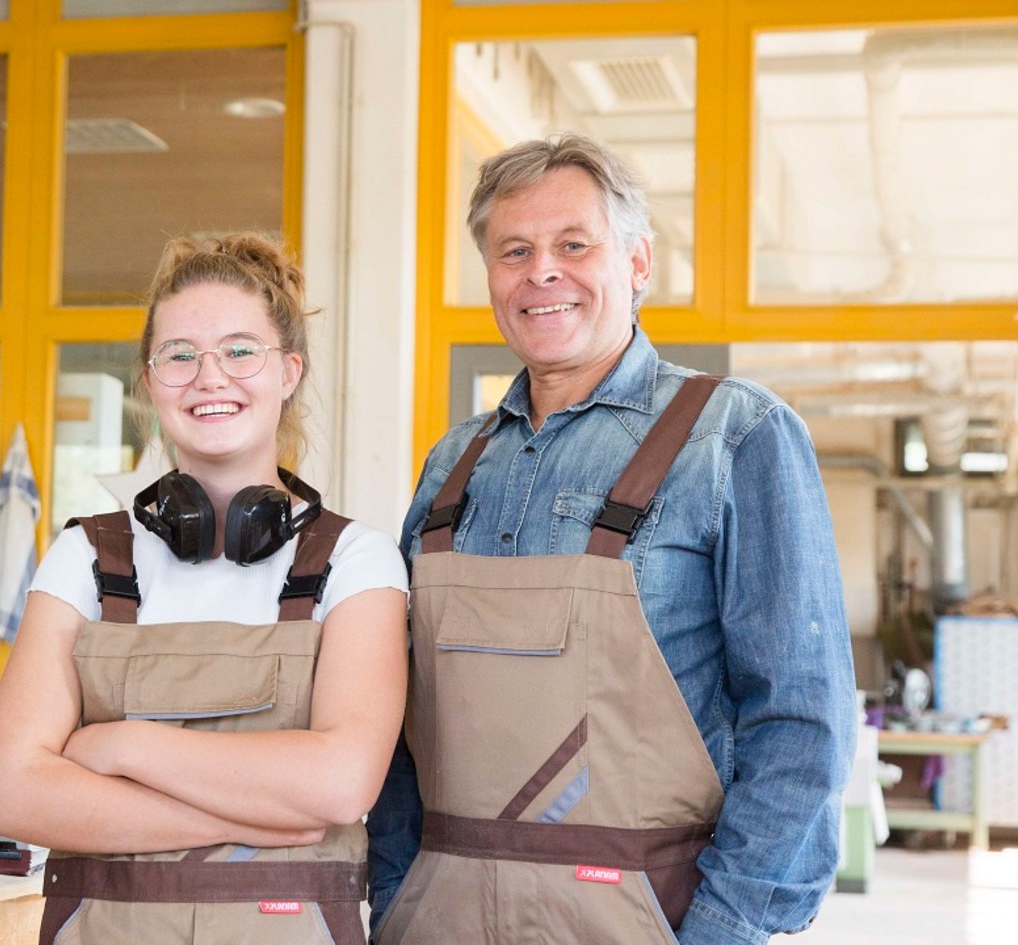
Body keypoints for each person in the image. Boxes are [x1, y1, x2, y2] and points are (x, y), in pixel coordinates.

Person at [366, 134, 856, 945]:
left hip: (646, 920)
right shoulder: (453, 464)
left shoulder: (736, 436)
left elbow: (802, 725)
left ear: (637, 265)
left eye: (573, 244)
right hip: (440, 919)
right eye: (513, 250)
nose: (541, 272)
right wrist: (395, 896)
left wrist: (721, 932)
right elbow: (401, 719)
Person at [0, 233, 408, 945]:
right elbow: (7, 791)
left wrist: (116, 745)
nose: (210, 377)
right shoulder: (86, 556)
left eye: (240, 350)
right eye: (179, 354)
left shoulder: (356, 560)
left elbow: (339, 783)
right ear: (151, 381)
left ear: (289, 371)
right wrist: (257, 814)